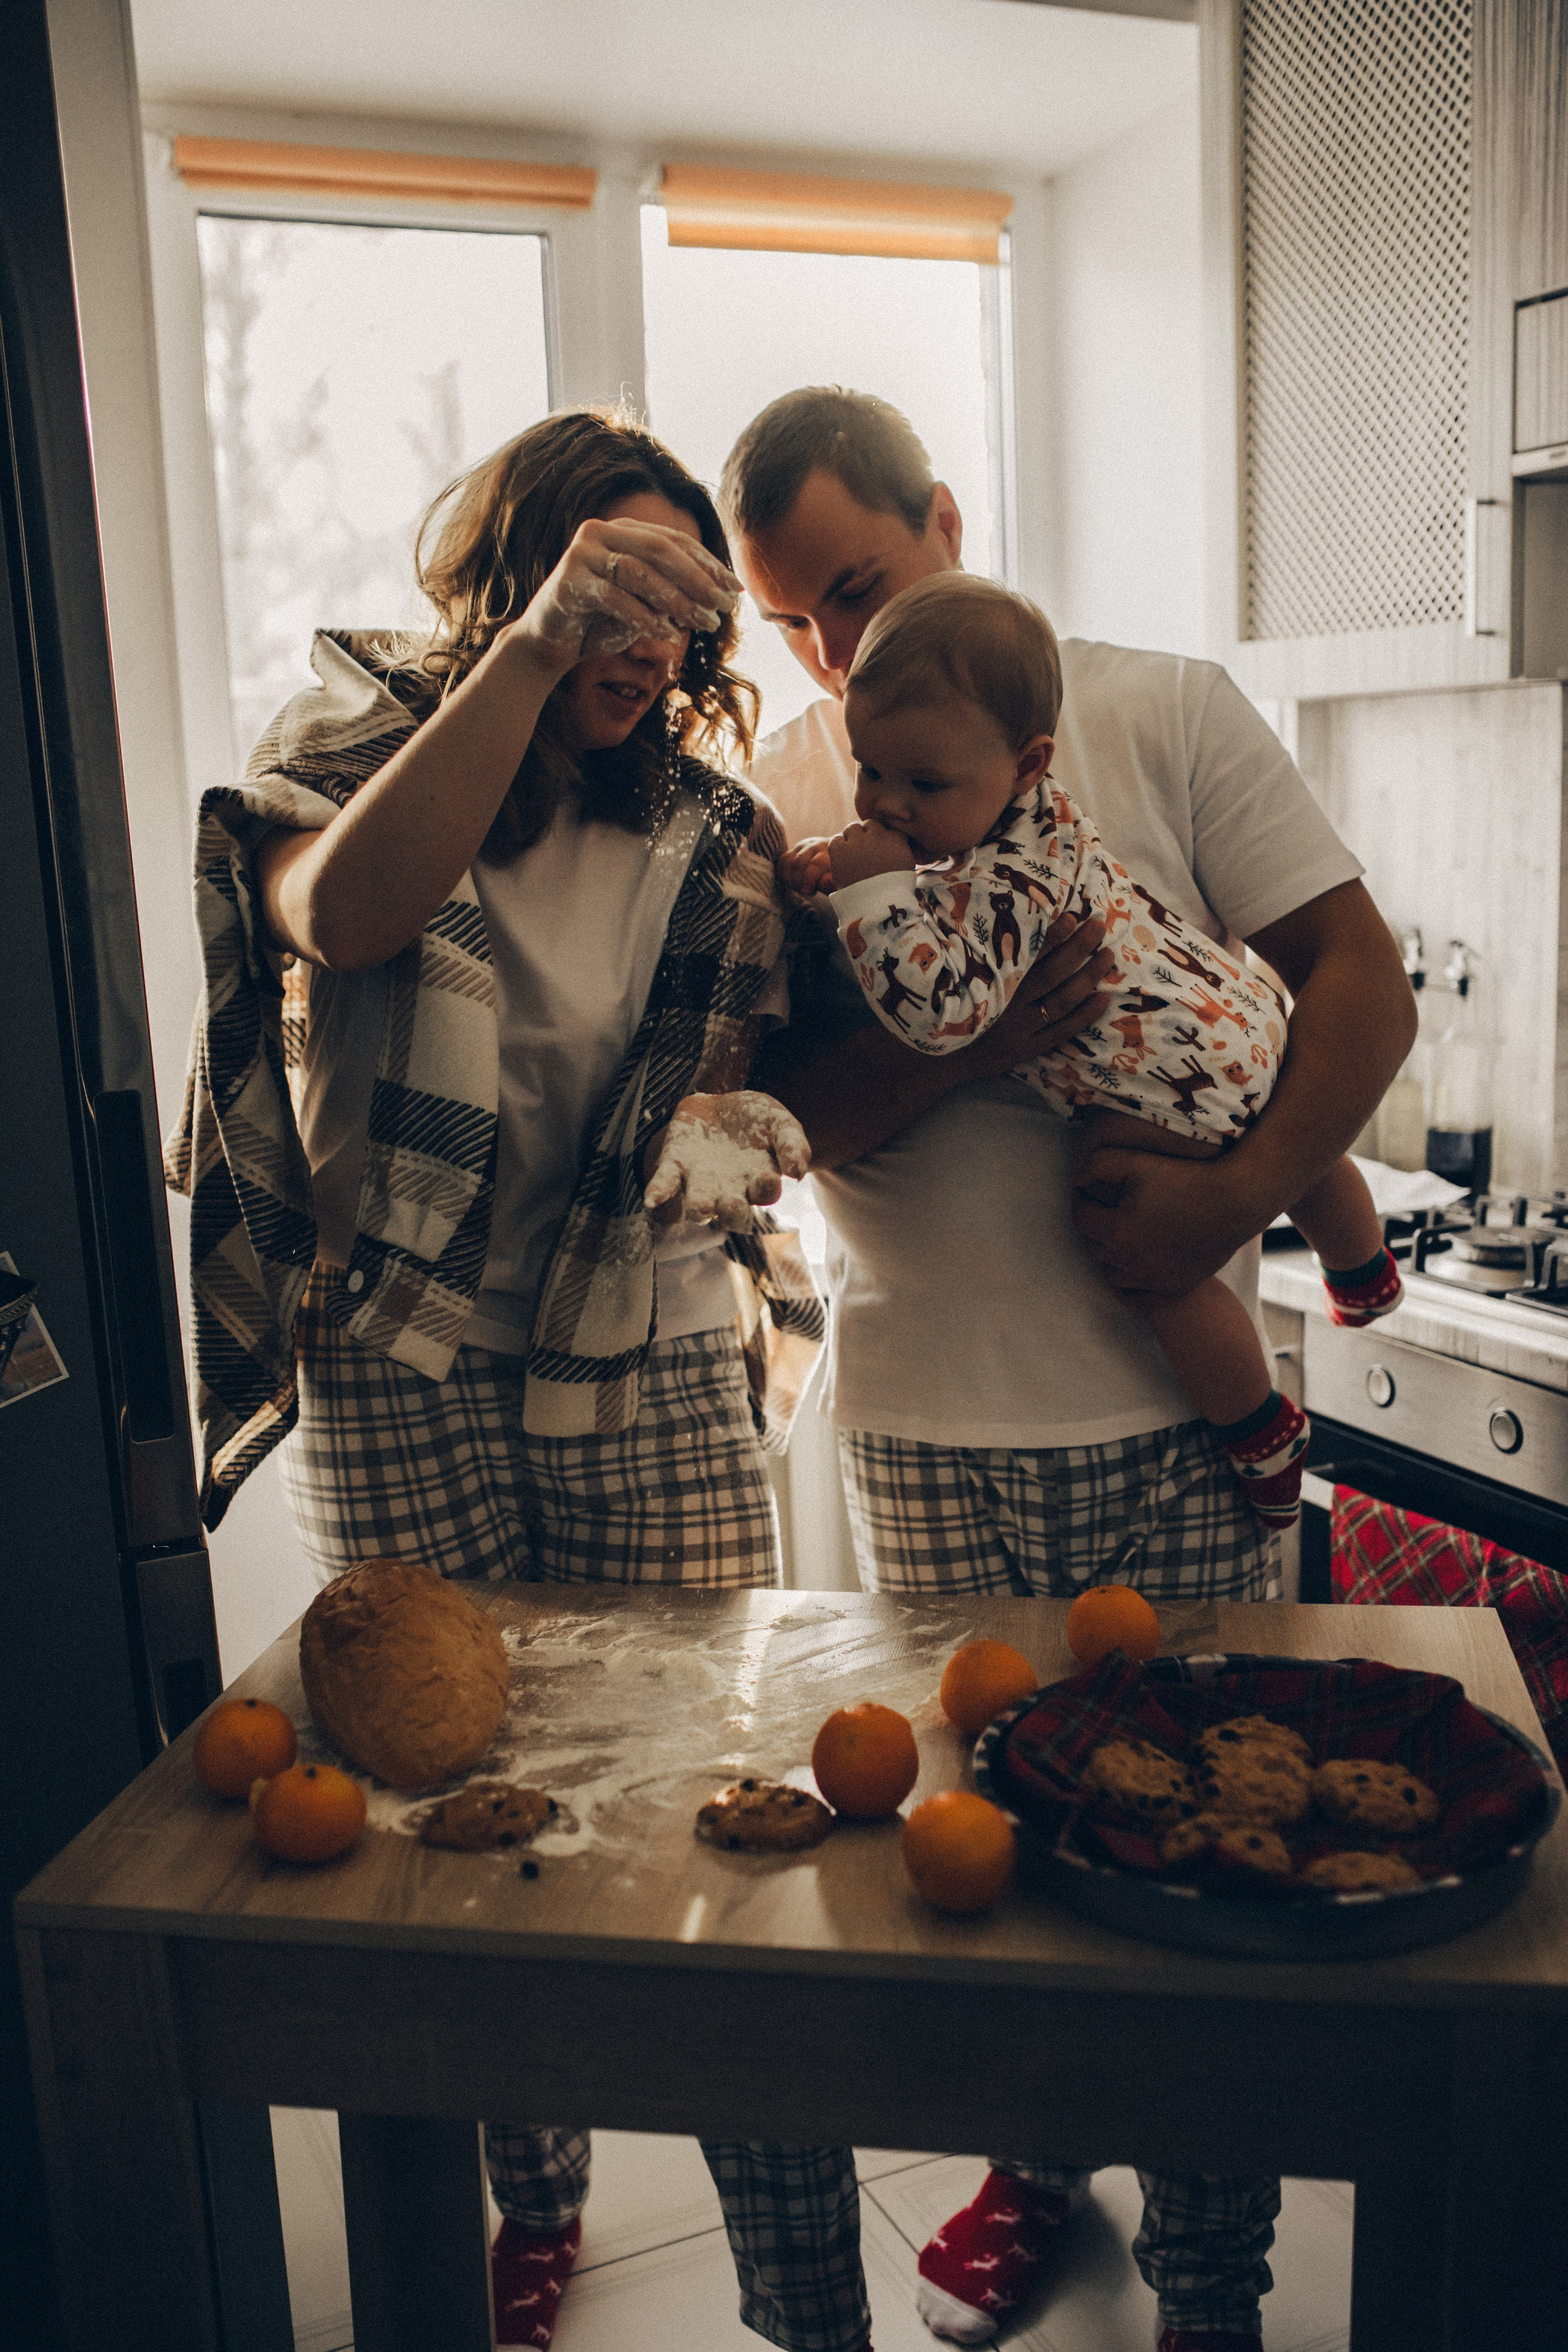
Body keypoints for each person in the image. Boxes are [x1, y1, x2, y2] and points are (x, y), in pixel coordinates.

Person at [165, 408, 872, 2352]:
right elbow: (348, 913)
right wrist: (539, 647)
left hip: (645, 1348)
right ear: (518, 578)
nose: (642, 644)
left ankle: (811, 2294)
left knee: (725, 1815)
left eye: (669, 605)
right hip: (403, 1363)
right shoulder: (355, 745)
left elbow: (809, 1059)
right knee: (452, 1826)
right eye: (604, 591)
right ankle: (534, 2209)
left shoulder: (715, 832)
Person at [720, 388, 1417, 2352]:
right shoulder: (803, 792)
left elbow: (1353, 979)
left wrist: (1243, 1206)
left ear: (943, 514)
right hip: (930, 1418)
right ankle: (1031, 2177)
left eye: (858, 586)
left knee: (1206, 1878)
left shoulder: (1154, 705)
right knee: (982, 1855)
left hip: (1168, 1418)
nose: (838, 653)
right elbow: (793, 1115)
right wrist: (973, 1032)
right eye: (797, 622)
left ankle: (1213, 2289)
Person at [783, 572, 1403, 1531]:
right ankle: (1360, 1265)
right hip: (1243, 1020)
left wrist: (867, 894)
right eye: (870, 772)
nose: (886, 804)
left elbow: (945, 1014)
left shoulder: (1005, 886)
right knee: (1298, 1133)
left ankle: (1260, 1429)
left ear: (1027, 763)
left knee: (1146, 1256)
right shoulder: (1047, 817)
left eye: (922, 785)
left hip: (1161, 1103)